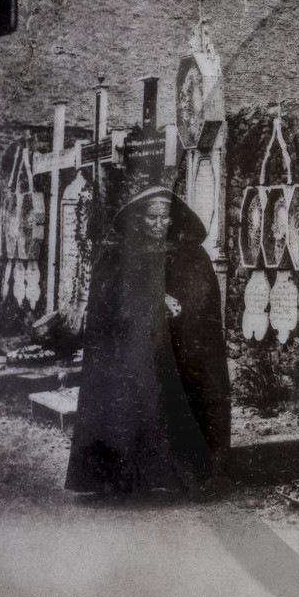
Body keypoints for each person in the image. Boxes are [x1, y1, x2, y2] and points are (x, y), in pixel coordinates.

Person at [65, 186, 230, 498]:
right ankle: (124, 479)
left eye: (164, 217)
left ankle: (188, 476)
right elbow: (114, 303)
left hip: (180, 351)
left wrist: (183, 307)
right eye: (152, 218)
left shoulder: (190, 254)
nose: (159, 223)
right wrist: (155, 302)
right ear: (138, 220)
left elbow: (202, 298)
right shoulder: (119, 255)